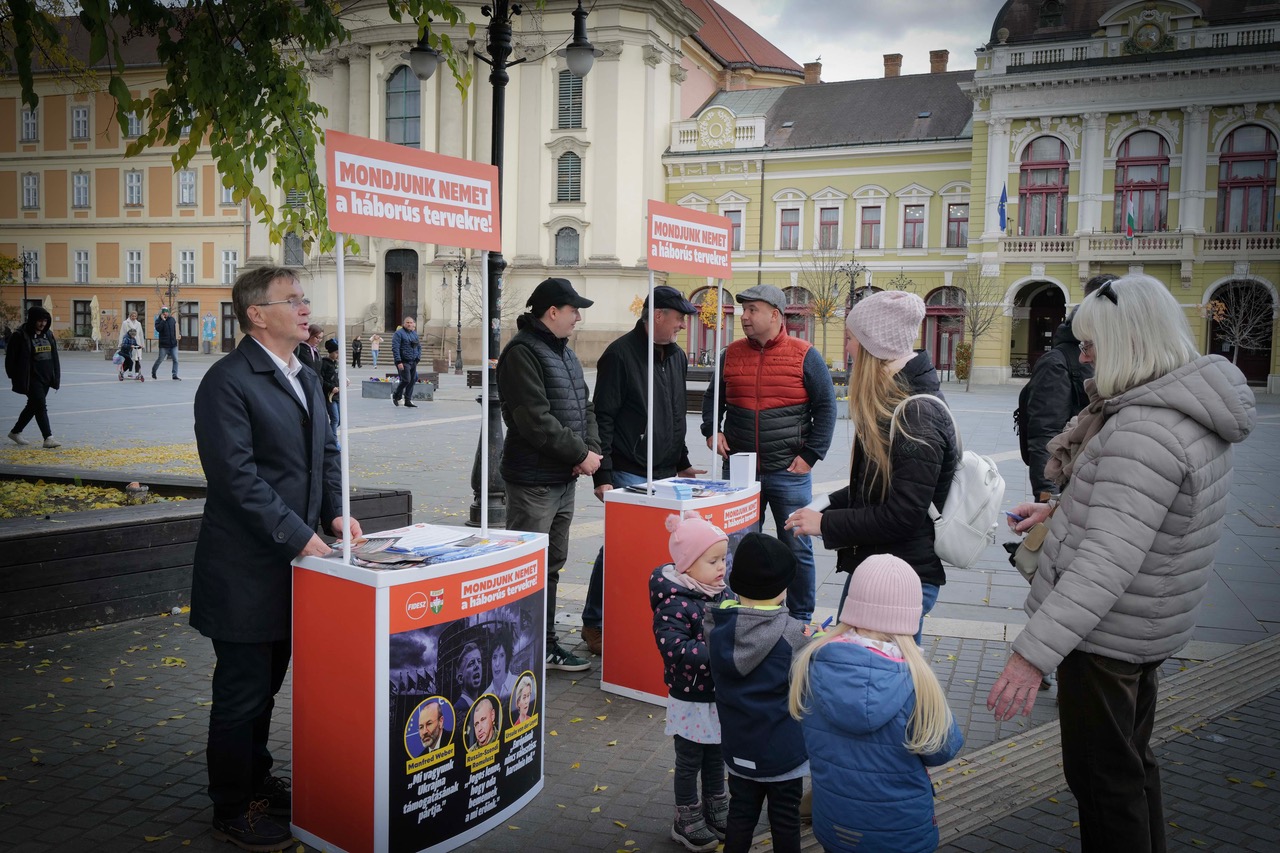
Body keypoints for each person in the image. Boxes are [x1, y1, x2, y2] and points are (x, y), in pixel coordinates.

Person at [988, 274, 1256, 853]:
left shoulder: (1143, 430)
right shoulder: (1179, 409)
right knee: (1129, 770)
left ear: (1128, 341)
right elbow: (1139, 519)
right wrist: (1061, 508)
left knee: (1104, 784)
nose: (1082, 357)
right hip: (1143, 624)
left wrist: (1030, 656)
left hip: (1105, 639)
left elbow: (1104, 565)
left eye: (1091, 345)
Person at [191, 265, 362, 852]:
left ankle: (256, 776)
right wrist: (298, 534)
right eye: (292, 300)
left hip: (293, 566)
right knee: (241, 692)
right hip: (243, 571)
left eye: (304, 298)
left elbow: (327, 450)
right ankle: (232, 806)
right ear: (256, 314)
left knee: (266, 687)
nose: (305, 307)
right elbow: (235, 479)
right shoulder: (227, 382)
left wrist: (335, 513)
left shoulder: (305, 373)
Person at [784, 290, 958, 645]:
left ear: (873, 346)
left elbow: (903, 514)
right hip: (883, 567)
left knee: (881, 688)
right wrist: (823, 505)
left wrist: (826, 524)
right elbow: (877, 485)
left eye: (851, 339)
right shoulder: (896, 402)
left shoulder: (915, 413)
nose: (847, 348)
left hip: (899, 576)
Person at [789, 554, 963, 853]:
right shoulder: (917, 682)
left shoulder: (810, 666)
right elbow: (942, 749)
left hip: (833, 824)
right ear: (911, 615)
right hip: (901, 834)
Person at [701, 284, 836, 624]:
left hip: (789, 471)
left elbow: (827, 408)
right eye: (743, 310)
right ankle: (748, 612)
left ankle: (801, 616)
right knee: (741, 545)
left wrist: (810, 455)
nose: (744, 316)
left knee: (797, 546)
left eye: (752, 310)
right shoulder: (729, 354)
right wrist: (712, 430)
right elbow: (711, 399)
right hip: (741, 470)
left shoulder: (805, 355)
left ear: (775, 314)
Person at [583, 285, 705, 655]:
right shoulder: (620, 354)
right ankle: (595, 622)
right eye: (679, 318)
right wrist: (603, 475)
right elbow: (602, 416)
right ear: (658, 316)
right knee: (620, 549)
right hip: (630, 470)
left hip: (668, 471)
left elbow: (676, 413)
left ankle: (644, 618)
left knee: (660, 549)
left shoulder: (677, 356)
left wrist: (682, 460)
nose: (683, 325)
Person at [497, 277, 602, 673]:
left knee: (551, 564)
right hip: (534, 481)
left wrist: (588, 451)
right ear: (552, 312)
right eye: (574, 310)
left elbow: (584, 406)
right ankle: (518, 649)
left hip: (563, 476)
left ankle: (544, 643)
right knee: (525, 568)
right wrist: (580, 454)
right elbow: (534, 421)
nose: (578, 318)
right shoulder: (523, 353)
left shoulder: (564, 353)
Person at [707, 533, 811, 853]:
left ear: (736, 585)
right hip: (785, 755)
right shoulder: (794, 635)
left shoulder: (716, 628)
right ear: (782, 589)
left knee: (740, 814)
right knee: (784, 820)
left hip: (739, 751)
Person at [650, 512, 731, 851]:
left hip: (717, 695)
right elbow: (675, 649)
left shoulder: (717, 592)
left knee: (716, 756)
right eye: (712, 561)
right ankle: (686, 816)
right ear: (687, 564)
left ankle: (716, 806)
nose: (721, 567)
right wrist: (721, 648)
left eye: (723, 559)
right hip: (689, 697)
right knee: (689, 761)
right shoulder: (674, 603)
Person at [1020, 273, 1118, 500]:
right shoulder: (1057, 361)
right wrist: (1047, 501)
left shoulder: (1114, 354)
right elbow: (1044, 437)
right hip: (1067, 488)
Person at [5, 305, 62, 448]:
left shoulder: (48, 334)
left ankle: (15, 432)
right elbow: (10, 359)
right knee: (40, 405)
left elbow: (54, 356)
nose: (42, 324)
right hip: (31, 378)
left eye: (44, 320)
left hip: (46, 378)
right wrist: (15, 376)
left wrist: (55, 376)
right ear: (32, 320)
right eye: (39, 321)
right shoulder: (20, 335)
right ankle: (48, 438)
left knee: (33, 406)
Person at [392, 317, 421, 408]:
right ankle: (396, 395)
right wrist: (398, 361)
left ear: (413, 324)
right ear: (404, 324)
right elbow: (395, 348)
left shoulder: (414, 334)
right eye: (407, 322)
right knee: (406, 380)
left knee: (412, 380)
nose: (409, 324)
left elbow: (419, 347)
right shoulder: (398, 334)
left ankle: (408, 400)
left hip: (413, 361)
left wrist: (418, 358)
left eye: (411, 322)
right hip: (403, 361)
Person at [454, 640, 485, 722]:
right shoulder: (456, 712)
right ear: (460, 679)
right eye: (471, 663)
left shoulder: (483, 706)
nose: (477, 666)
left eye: (479, 661)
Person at [319, 339, 341, 449]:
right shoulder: (325, 363)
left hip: (338, 395)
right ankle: (333, 441)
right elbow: (322, 379)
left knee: (339, 419)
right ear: (331, 352)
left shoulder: (336, 364)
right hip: (330, 395)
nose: (338, 355)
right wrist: (331, 387)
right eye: (336, 352)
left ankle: (328, 434)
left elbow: (337, 376)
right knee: (335, 418)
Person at [485, 629, 517, 701]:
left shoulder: (518, 684)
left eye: (502, 656)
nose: (497, 663)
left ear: (507, 659)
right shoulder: (485, 696)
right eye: (494, 657)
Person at [151, 306, 180, 380]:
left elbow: (176, 329)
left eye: (166, 312)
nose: (165, 314)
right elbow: (158, 329)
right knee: (160, 359)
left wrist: (178, 335)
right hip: (164, 345)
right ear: (161, 314)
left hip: (173, 344)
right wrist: (163, 320)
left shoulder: (172, 319)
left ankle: (174, 375)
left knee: (176, 360)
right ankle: (153, 371)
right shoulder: (158, 321)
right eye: (164, 313)